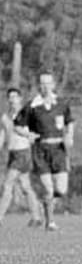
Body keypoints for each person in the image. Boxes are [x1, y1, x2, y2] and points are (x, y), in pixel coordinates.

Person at [14, 72, 74, 231]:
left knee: (61, 190)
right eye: (42, 83)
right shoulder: (32, 106)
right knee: (48, 188)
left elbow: (70, 122)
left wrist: (70, 136)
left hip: (59, 150)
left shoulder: (61, 103)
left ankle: (45, 204)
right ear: (39, 85)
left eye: (48, 83)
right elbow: (17, 125)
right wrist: (28, 134)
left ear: (53, 85)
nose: (45, 86)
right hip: (40, 150)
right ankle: (50, 222)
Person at [0, 87, 42, 227]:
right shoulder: (5, 117)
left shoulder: (27, 114)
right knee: (25, 186)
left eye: (15, 97)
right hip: (13, 154)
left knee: (7, 184)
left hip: (23, 153)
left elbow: (36, 131)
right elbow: (3, 136)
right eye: (10, 97)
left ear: (20, 98)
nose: (12, 100)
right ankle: (36, 217)